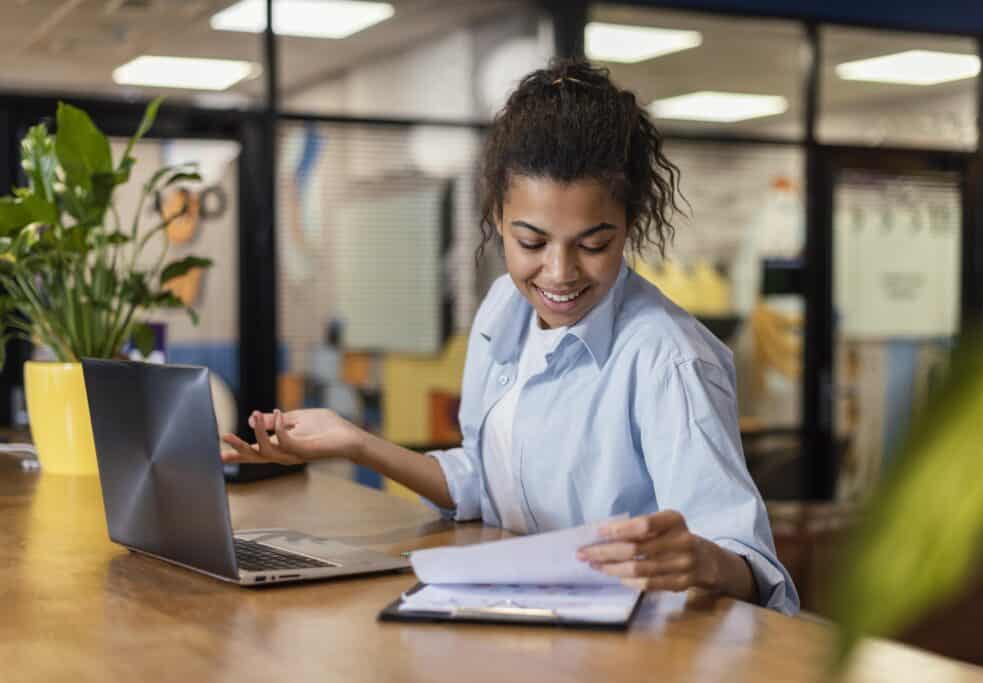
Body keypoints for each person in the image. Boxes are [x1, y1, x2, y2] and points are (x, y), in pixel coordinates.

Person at [223, 59, 799, 615]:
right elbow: (483, 477)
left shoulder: (669, 359)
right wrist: (357, 443)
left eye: (594, 244)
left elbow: (750, 567)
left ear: (630, 226)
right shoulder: (504, 306)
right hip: (527, 616)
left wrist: (702, 559)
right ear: (497, 216)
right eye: (531, 241)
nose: (559, 272)